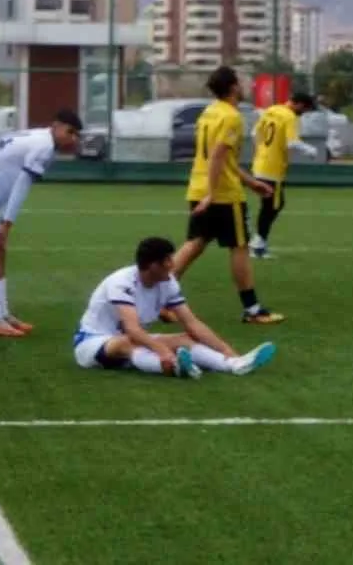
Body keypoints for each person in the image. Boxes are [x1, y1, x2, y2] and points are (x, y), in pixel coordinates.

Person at [166, 66, 284, 325]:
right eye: (241, 82)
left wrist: (251, 183)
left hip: (198, 187)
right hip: (222, 194)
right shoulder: (231, 117)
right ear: (232, 87)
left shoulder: (209, 112)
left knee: (195, 243)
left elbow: (222, 160)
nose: (244, 86)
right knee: (239, 246)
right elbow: (218, 156)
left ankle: (161, 299)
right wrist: (212, 194)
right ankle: (252, 309)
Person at [0, 110, 83, 337]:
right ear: (56, 126)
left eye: (77, 135)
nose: (73, 138)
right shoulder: (44, 146)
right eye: (70, 132)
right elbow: (22, 185)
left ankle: (2, 314)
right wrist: (6, 223)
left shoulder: (43, 139)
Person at [74, 236, 277, 378]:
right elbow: (133, 329)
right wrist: (163, 351)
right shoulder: (122, 283)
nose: (173, 264)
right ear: (153, 265)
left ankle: (233, 365)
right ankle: (176, 367)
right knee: (127, 342)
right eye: (168, 260)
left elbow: (192, 323)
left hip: (130, 340)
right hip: (92, 344)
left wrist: (229, 352)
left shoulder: (168, 282)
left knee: (183, 339)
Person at [248, 91, 319, 259]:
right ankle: (257, 244)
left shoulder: (271, 110)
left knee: (271, 205)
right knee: (273, 205)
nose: (304, 113)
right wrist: (310, 150)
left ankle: (258, 243)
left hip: (260, 164)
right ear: (299, 104)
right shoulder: (289, 117)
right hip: (273, 169)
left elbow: (254, 134)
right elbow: (292, 143)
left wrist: (262, 151)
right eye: (305, 109)